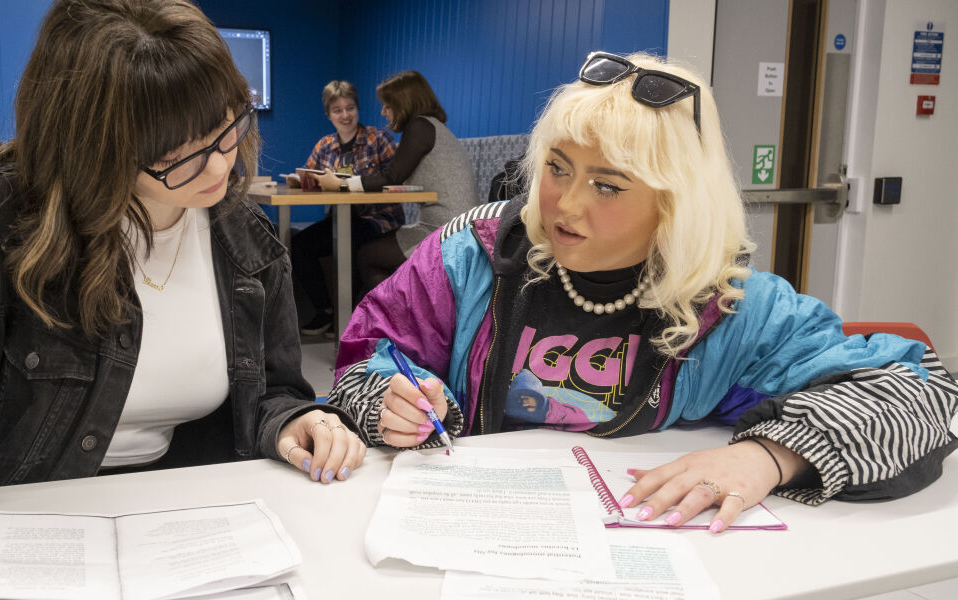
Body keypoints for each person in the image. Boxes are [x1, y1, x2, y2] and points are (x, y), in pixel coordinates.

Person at [0, 2, 367, 598]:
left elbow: (272, 390)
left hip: (184, 525)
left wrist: (296, 420)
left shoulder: (243, 235)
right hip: (15, 523)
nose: (221, 164)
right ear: (91, 146)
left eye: (228, 128)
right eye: (179, 156)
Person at [328, 51, 958, 534]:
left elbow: (924, 394)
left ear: (675, 206)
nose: (564, 205)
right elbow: (367, 353)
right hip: (475, 529)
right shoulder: (472, 254)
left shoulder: (730, 302)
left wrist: (770, 456)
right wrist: (387, 397)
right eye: (557, 168)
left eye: (608, 185)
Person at [310, 70, 478, 300]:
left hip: (445, 230)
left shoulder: (419, 127)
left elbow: (392, 177)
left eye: (387, 105)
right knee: (371, 252)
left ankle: (391, 324)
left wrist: (342, 184)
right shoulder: (431, 126)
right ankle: (379, 321)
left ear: (403, 103)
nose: (383, 112)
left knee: (367, 256)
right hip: (457, 226)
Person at [292, 80, 400, 337]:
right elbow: (310, 175)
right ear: (329, 115)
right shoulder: (324, 145)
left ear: (358, 109)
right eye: (337, 110)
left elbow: (396, 179)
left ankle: (349, 319)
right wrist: (302, 181)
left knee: (349, 241)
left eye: (350, 108)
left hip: (377, 219)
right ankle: (325, 311)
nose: (345, 115)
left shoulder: (379, 139)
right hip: (338, 219)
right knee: (298, 245)